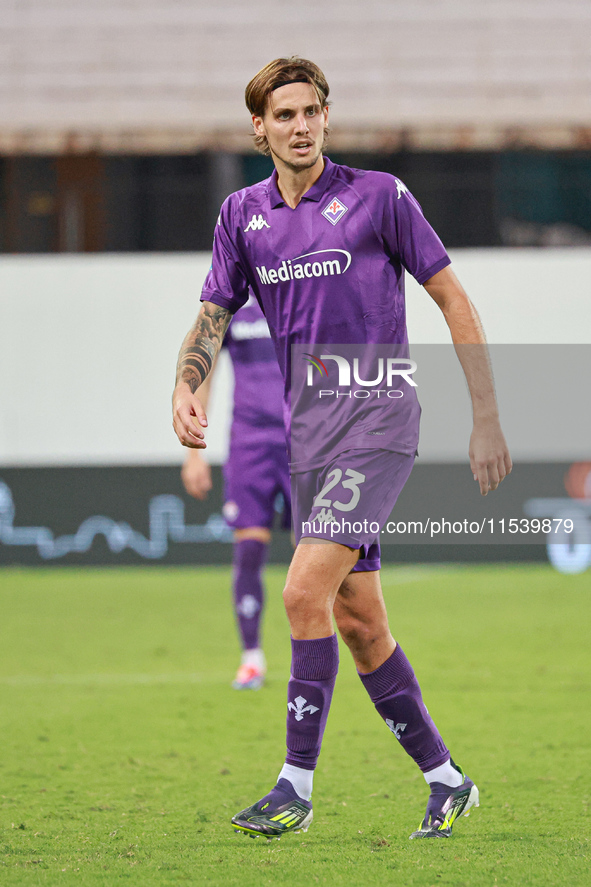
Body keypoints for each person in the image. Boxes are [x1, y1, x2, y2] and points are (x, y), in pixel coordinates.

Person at [172, 57, 512, 840]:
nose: (300, 125)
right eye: (283, 114)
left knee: (300, 594)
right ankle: (445, 777)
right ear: (257, 127)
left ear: (326, 117)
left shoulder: (379, 197)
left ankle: (294, 785)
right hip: (310, 433)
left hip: (379, 416)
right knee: (358, 620)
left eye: (311, 111)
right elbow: (211, 316)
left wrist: (485, 414)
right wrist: (187, 383)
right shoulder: (240, 216)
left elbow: (451, 296)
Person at [181, 294, 291, 690]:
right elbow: (203, 371)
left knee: (318, 553)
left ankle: (318, 653)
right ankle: (251, 658)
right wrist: (195, 453)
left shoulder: (297, 294)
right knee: (248, 549)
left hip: (303, 440)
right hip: (249, 445)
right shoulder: (230, 309)